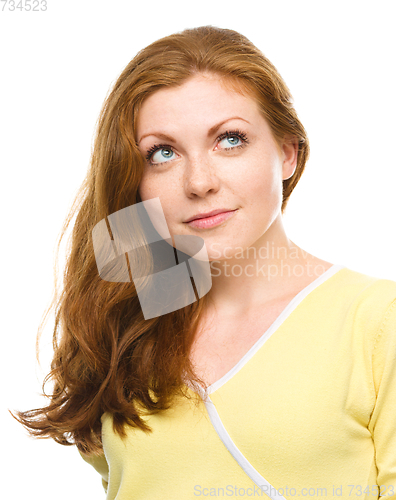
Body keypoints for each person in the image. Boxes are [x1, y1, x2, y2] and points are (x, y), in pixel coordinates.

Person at [12, 26, 396, 499]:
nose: (199, 182)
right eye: (163, 153)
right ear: (134, 181)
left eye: (230, 140)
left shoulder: (378, 320)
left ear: (288, 152)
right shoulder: (127, 319)